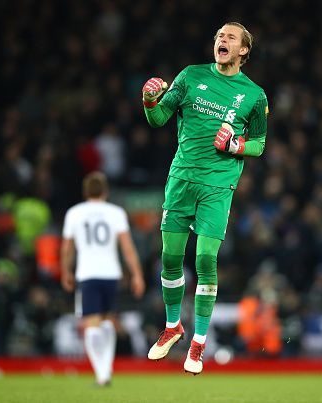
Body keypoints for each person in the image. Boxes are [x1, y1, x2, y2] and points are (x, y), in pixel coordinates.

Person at [141, 21, 269, 374]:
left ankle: (197, 343)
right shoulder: (190, 76)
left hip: (217, 186)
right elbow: (158, 118)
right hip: (181, 178)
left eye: (230, 37)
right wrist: (150, 99)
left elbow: (259, 143)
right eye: (218, 36)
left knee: (205, 260)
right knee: (169, 258)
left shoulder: (254, 95)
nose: (221, 41)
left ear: (243, 50)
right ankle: (172, 327)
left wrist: (234, 144)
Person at [60, 171, 145, 386]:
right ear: (105, 191)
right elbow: (127, 247)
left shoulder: (74, 213)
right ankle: (106, 371)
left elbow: (67, 248)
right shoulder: (115, 212)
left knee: (92, 324)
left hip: (87, 274)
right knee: (107, 322)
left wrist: (65, 271)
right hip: (111, 274)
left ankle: (101, 373)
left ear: (85, 191)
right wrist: (137, 274)